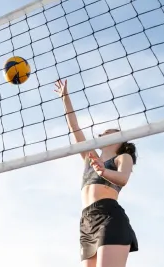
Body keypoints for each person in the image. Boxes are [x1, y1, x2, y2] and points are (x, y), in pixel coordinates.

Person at [54, 79, 138, 267]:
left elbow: (123, 179)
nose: (102, 134)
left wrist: (103, 170)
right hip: (87, 221)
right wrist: (65, 97)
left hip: (109, 216)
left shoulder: (122, 157)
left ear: (120, 139)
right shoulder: (89, 157)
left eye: (109, 132)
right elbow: (74, 128)